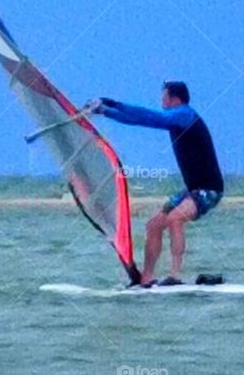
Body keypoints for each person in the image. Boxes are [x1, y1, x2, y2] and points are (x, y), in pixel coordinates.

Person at [91, 82, 224, 287]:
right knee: (153, 225)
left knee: (174, 219)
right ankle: (146, 278)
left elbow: (150, 118)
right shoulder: (176, 117)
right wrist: (111, 107)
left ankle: (176, 276)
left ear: (174, 98)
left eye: (164, 97)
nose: (162, 102)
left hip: (209, 189)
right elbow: (137, 117)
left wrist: (108, 110)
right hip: (191, 190)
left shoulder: (184, 115)